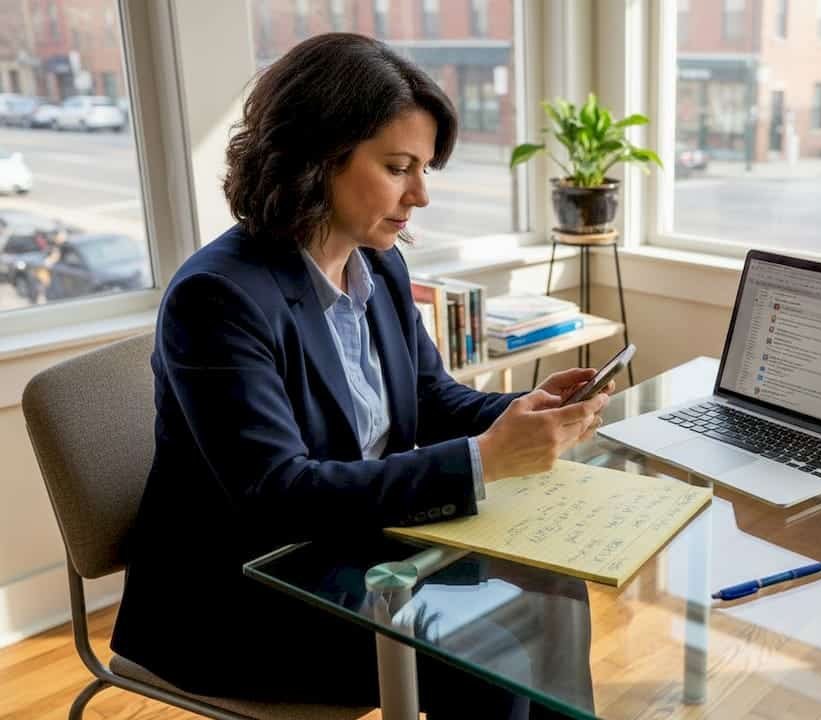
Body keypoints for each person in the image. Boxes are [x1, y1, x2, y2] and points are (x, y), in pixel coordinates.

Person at [110, 33, 610, 717]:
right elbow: (276, 493)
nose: (421, 194)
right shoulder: (217, 298)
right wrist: (484, 460)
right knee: (483, 643)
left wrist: (521, 411)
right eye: (399, 166)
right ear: (317, 159)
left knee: (552, 585)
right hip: (242, 598)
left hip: (351, 545)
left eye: (425, 168)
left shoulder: (379, 260)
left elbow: (429, 395)